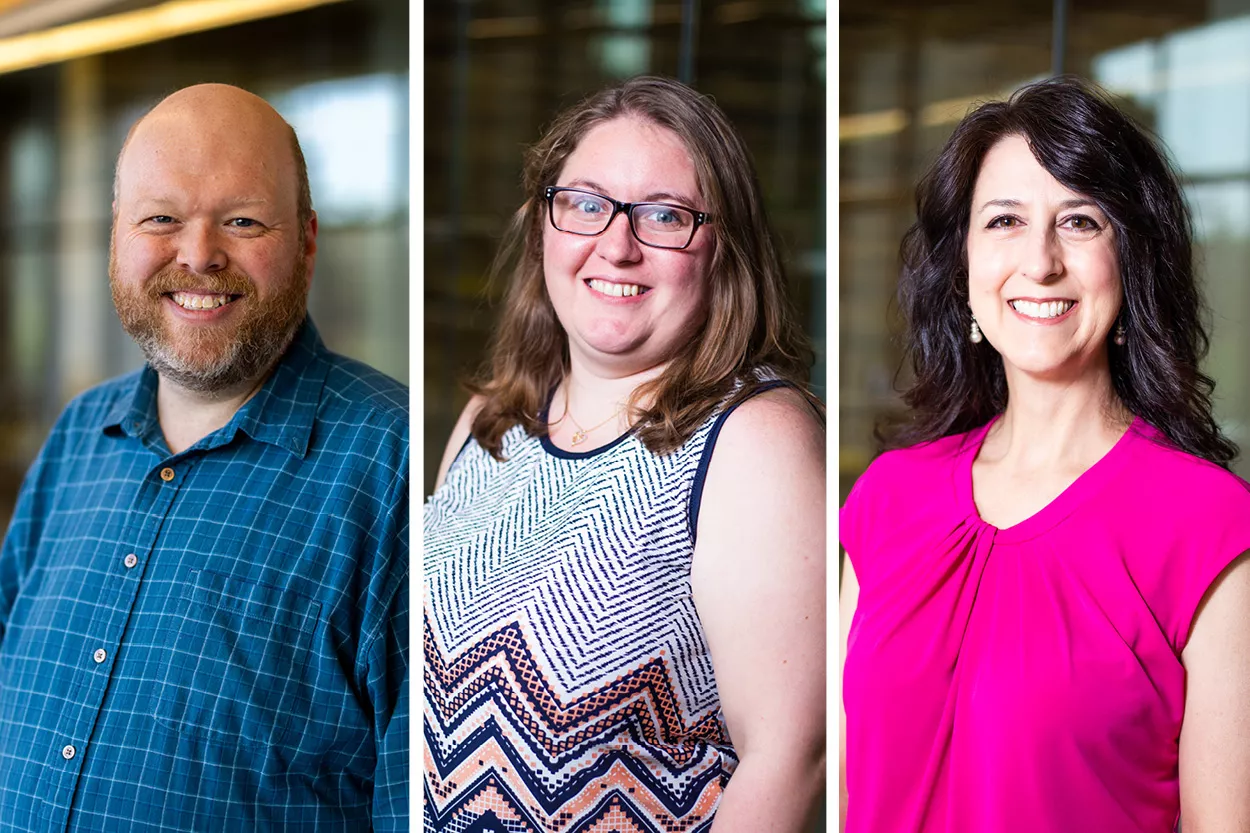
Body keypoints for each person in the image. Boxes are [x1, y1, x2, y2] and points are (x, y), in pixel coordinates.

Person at [840, 76, 1250, 832]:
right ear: (963, 263)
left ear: (1132, 259)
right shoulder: (886, 498)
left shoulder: (1208, 524)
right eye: (1004, 220)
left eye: (1080, 222)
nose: (1040, 261)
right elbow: (844, 791)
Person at [0, 84, 408, 831]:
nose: (198, 255)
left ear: (307, 241)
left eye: (242, 220)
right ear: (117, 234)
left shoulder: (396, 467)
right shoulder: (78, 437)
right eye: (161, 218)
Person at [424, 76, 826, 832]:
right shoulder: (491, 422)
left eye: (664, 216)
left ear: (725, 250)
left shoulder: (754, 440)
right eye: (586, 204)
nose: (616, 246)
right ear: (542, 226)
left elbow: (789, 759)